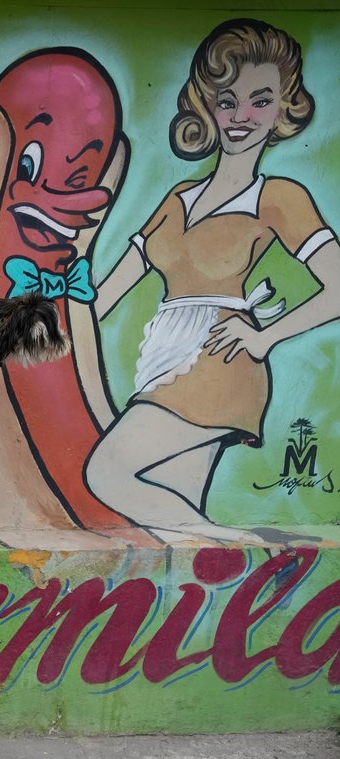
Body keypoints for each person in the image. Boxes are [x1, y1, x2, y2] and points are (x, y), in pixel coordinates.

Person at [87, 18, 338, 545]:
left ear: (282, 113)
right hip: (162, 358)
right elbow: (104, 296)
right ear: (208, 106)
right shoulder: (178, 197)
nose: (241, 117)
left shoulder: (280, 197)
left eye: (260, 102)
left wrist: (265, 336)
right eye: (227, 101)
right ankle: (230, 564)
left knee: (106, 472)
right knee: (174, 522)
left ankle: (248, 547)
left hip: (222, 359)